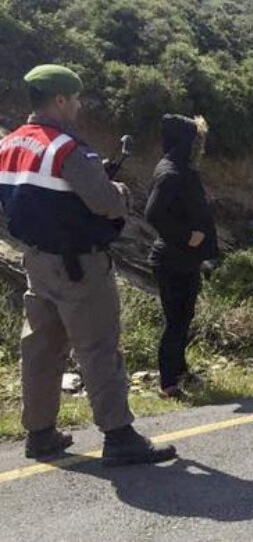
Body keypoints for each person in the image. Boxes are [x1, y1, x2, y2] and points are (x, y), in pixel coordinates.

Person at [1, 65, 176, 466]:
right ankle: (118, 436)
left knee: (41, 350)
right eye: (76, 99)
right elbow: (107, 203)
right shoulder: (66, 148)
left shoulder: (9, 144)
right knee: (98, 349)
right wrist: (119, 189)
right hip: (78, 265)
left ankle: (40, 434)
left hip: (36, 260)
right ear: (60, 99)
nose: (79, 106)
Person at [145, 114, 219, 399]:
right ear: (185, 142)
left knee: (183, 317)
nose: (199, 147)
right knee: (175, 320)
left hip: (184, 260)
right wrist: (187, 236)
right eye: (195, 141)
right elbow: (153, 213)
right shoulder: (171, 172)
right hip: (172, 259)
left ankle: (180, 370)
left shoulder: (178, 167)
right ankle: (167, 384)